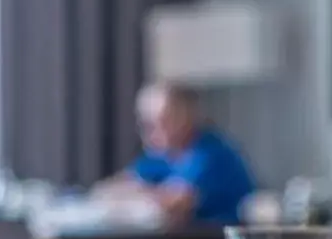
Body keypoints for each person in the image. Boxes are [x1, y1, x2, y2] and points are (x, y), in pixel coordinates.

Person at [109, 83, 256, 226]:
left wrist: (144, 194)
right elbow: (110, 190)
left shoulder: (212, 154)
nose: (150, 130)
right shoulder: (160, 156)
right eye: (145, 123)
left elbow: (174, 205)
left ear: (187, 116)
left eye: (162, 120)